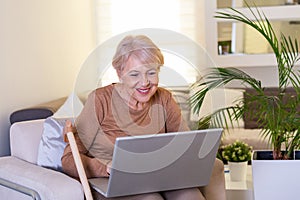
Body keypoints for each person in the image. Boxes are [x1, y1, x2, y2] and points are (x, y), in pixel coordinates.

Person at [61, 35, 226, 200]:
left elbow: (186, 144)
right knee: (151, 198)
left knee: (191, 196)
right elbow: (69, 159)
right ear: (119, 73)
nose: (145, 82)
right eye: (134, 74)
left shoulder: (164, 98)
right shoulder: (100, 100)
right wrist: (105, 167)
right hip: (115, 182)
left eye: (151, 72)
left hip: (159, 177)